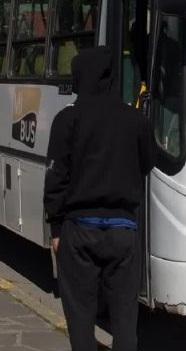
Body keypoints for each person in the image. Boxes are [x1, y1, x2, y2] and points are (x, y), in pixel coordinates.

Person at [44, 46, 154, 351]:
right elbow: (148, 163)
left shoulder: (67, 120)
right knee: (124, 319)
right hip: (123, 231)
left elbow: (56, 178)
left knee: (80, 318)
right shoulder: (135, 120)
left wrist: (55, 228)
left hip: (79, 230)